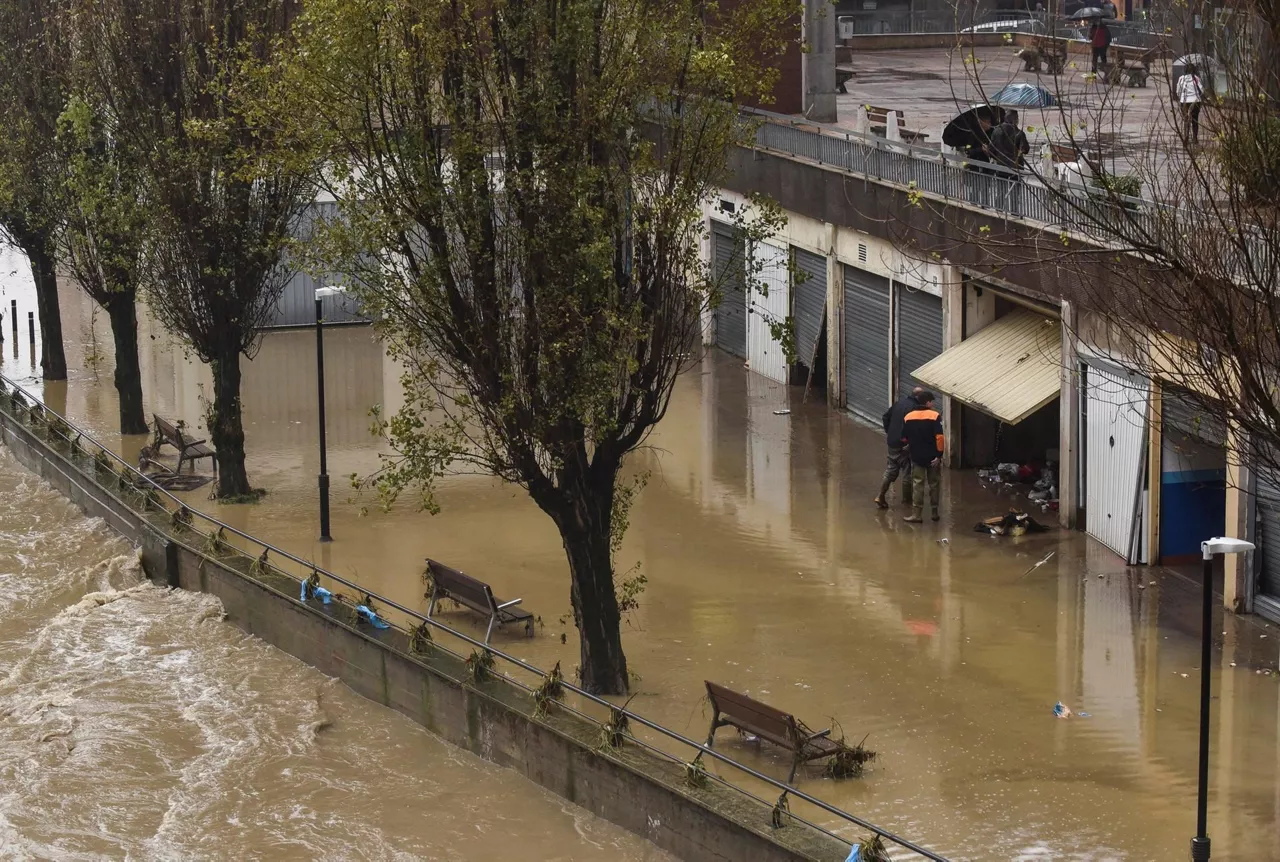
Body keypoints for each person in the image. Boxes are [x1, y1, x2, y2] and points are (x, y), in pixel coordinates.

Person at [874, 386, 924, 509]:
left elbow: (885, 417)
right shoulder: (915, 408)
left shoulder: (899, 403)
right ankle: (907, 502)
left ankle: (880, 496)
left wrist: (889, 432)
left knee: (891, 469)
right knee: (907, 471)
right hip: (904, 444)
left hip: (892, 443)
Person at [901, 390, 944, 524]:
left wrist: (911, 444)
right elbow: (940, 437)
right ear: (927, 402)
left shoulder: (908, 417)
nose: (933, 404)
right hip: (932, 457)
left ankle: (917, 514)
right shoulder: (935, 416)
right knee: (934, 484)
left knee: (918, 484)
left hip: (917, 456)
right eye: (932, 402)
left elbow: (904, 437)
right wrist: (939, 455)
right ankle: (934, 513)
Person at [1176, 63, 1204, 144]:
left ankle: (1186, 137)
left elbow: (1178, 91)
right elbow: (1202, 90)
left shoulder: (1181, 78)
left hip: (1184, 102)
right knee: (1195, 120)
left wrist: (1181, 96)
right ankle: (1195, 139)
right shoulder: (1196, 78)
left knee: (1186, 120)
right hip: (1195, 102)